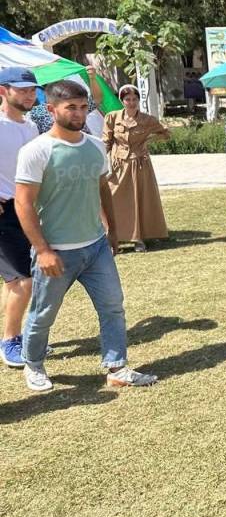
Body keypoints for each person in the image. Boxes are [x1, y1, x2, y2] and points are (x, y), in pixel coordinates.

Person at [15, 80, 157, 392]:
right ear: (51, 109)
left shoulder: (94, 146)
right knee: (43, 313)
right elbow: (23, 203)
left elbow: (103, 188)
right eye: (71, 108)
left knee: (113, 307)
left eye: (82, 107)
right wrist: (43, 250)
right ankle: (33, 364)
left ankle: (117, 367)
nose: (79, 113)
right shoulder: (37, 151)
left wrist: (113, 230)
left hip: (95, 247)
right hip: (56, 251)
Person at [0, 67, 39, 367]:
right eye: (22, 89)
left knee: (19, 280)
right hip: (5, 213)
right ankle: (10, 340)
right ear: (3, 91)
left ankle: (15, 334)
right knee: (24, 280)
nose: (29, 94)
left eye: (32, 89)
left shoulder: (31, 126)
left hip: (29, 210)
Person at [102, 84, 170, 252]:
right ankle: (113, 236)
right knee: (112, 198)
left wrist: (149, 140)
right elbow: (106, 142)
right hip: (118, 165)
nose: (131, 103)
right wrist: (104, 162)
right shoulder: (112, 117)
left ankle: (139, 238)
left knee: (139, 200)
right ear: (122, 100)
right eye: (127, 99)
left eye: (134, 99)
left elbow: (166, 133)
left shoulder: (147, 120)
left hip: (140, 165)